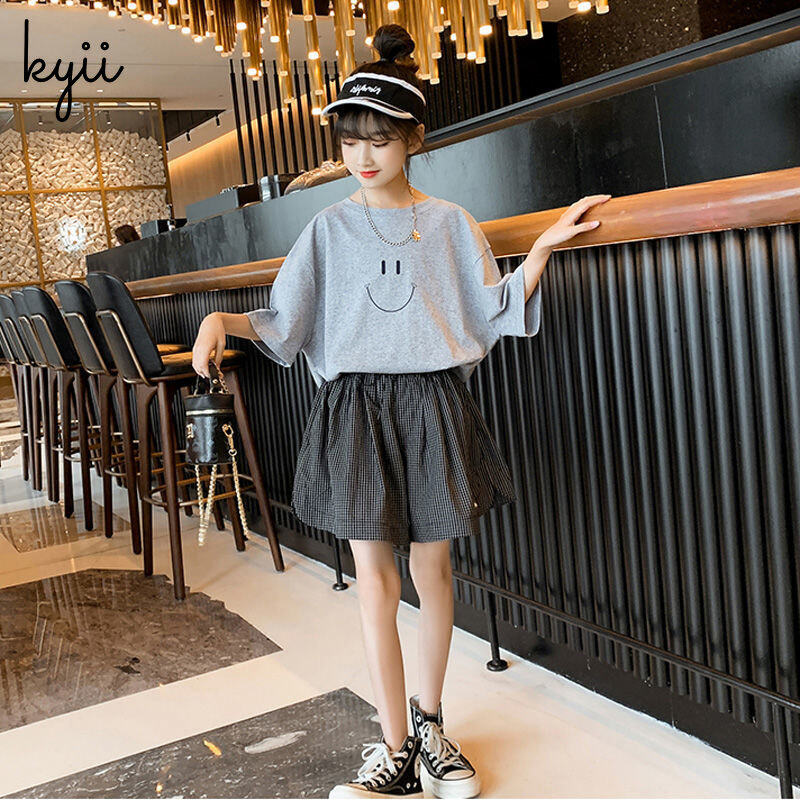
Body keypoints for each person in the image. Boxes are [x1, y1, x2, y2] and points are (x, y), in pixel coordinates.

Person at [191, 23, 611, 800]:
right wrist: (221, 319)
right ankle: (393, 751)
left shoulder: (449, 222)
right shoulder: (327, 227)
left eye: (379, 140)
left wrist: (543, 249)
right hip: (353, 409)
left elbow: (489, 310)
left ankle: (431, 729)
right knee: (374, 579)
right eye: (351, 140)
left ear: (413, 139)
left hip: (431, 404)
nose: (362, 155)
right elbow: (288, 320)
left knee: (434, 567)